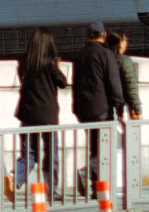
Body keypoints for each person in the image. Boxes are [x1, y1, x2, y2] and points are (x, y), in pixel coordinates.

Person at [72, 21, 128, 192]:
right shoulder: (106, 55)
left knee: (95, 147)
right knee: (105, 148)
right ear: (103, 36)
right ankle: (88, 171)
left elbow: (75, 83)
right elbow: (113, 83)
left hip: (83, 109)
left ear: (87, 35)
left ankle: (97, 188)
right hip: (102, 108)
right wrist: (119, 107)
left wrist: (76, 108)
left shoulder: (79, 55)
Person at [15, 26, 68, 196]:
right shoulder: (49, 64)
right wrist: (57, 67)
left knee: (28, 153)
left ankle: (14, 177)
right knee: (51, 153)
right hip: (47, 114)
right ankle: (51, 189)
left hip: (27, 113)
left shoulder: (25, 61)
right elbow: (63, 82)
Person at [113, 29, 142, 119]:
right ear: (120, 43)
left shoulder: (105, 59)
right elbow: (131, 88)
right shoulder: (125, 61)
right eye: (125, 40)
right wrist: (137, 110)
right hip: (122, 109)